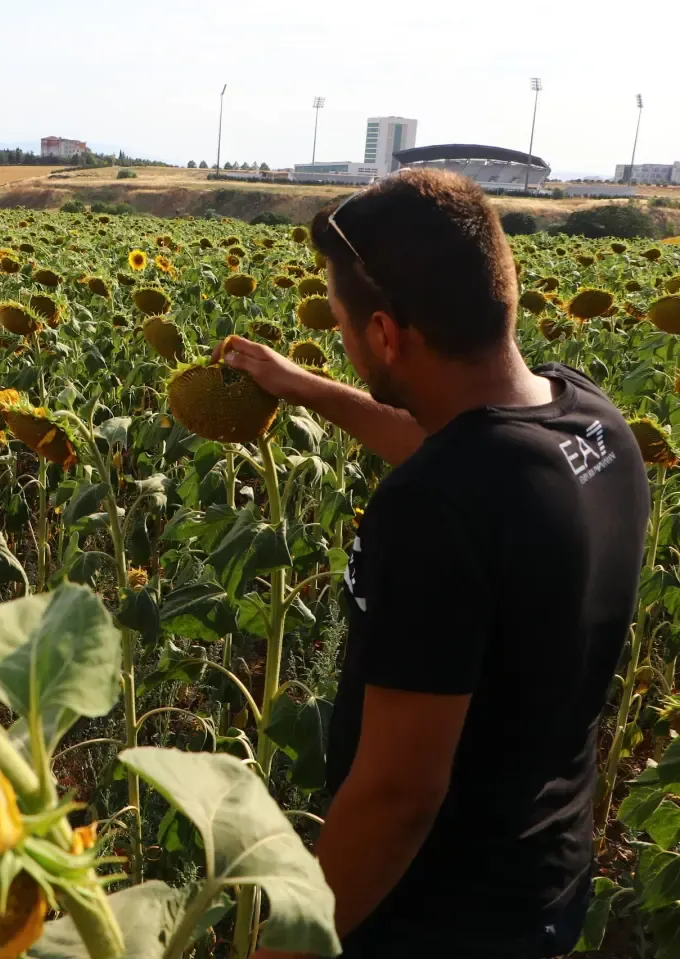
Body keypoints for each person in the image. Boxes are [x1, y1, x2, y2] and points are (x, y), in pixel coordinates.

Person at [233, 170, 648, 959]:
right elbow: (461, 454)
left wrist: (287, 947)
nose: (344, 343)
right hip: (545, 880)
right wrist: (305, 387)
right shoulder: (592, 422)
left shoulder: (431, 511)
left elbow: (399, 796)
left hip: (438, 915)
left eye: (346, 328)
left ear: (386, 334)